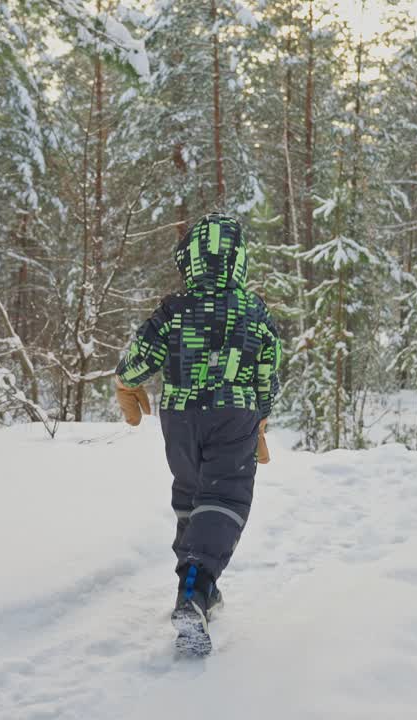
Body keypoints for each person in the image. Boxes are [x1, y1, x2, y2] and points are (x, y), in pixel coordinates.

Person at [113, 213, 282, 656]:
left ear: (188, 262)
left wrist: (125, 381)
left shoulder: (174, 308)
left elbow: (137, 358)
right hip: (233, 413)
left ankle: (200, 588)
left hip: (180, 418)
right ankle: (196, 587)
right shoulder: (254, 311)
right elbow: (267, 372)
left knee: (191, 494)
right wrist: (261, 416)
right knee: (224, 497)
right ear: (238, 261)